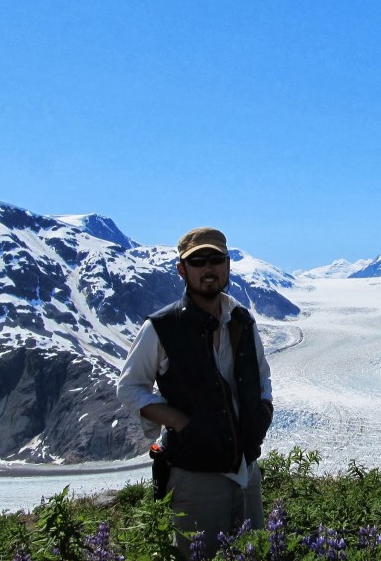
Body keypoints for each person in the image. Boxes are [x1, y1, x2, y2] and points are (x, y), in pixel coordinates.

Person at [117, 226, 274, 560]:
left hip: (246, 470)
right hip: (195, 477)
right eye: (197, 261)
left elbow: (262, 374)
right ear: (182, 270)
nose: (208, 268)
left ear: (228, 265)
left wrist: (264, 409)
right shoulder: (162, 327)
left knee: (255, 554)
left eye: (215, 259)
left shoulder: (242, 321)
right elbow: (129, 388)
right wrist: (179, 422)